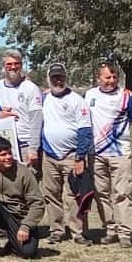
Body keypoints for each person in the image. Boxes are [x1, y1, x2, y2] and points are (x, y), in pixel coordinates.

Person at [84, 61, 132, 248]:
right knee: (100, 194)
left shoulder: (127, 96)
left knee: (123, 194)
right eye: (107, 77)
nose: (111, 81)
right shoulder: (89, 95)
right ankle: (110, 230)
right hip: (95, 154)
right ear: (98, 78)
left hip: (120, 154)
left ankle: (125, 233)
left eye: (114, 77)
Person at [39, 63, 93, 245]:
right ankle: (56, 230)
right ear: (48, 78)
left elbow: (85, 130)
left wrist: (80, 157)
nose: (58, 80)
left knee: (74, 195)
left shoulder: (77, 100)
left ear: (66, 77)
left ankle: (78, 232)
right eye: (54, 77)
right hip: (49, 155)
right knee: (51, 195)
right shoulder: (43, 98)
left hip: (71, 156)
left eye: (60, 77)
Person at [0, 50, 43, 167]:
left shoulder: (31, 88)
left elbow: (36, 120)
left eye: (16, 63)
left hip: (26, 145)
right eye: (9, 64)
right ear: (3, 66)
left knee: (30, 182)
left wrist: (33, 149)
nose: (13, 67)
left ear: (21, 65)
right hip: (4, 147)